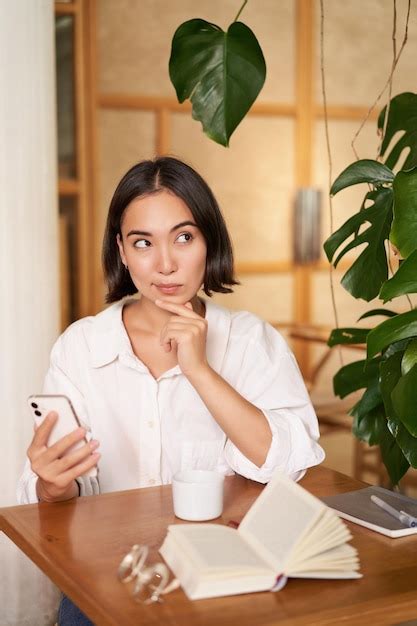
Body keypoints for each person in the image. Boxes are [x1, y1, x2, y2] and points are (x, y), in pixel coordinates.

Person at [18, 156, 324, 622]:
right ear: (121, 251)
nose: (165, 264)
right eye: (143, 242)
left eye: (184, 237)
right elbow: (58, 498)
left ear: (209, 241)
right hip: (107, 578)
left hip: (225, 582)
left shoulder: (249, 341)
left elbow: (287, 463)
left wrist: (200, 370)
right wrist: (52, 485)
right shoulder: (81, 347)